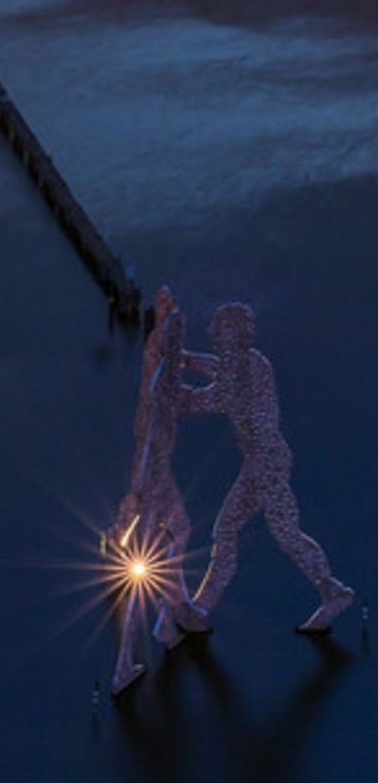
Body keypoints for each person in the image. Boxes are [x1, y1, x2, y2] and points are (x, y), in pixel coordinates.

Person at [187, 303, 353, 633]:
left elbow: (215, 397)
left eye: (222, 328)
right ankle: (202, 606)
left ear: (236, 332)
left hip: (268, 462)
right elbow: (219, 369)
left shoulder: (250, 366)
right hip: (260, 461)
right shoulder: (246, 362)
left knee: (277, 533)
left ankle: (333, 591)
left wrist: (176, 394)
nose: (214, 334)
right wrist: (186, 359)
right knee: (241, 530)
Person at [111, 287, 210, 693]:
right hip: (152, 477)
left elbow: (187, 395)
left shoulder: (162, 368)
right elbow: (150, 434)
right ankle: (124, 667)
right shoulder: (160, 380)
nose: (182, 337)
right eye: (177, 330)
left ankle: (170, 618)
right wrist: (136, 492)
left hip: (159, 473)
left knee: (180, 532)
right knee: (142, 569)